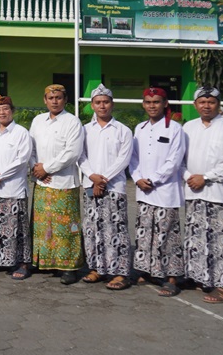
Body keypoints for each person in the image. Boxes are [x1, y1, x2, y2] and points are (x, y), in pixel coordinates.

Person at [182, 86, 223, 304]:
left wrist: (206, 177)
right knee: (196, 239)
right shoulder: (188, 128)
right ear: (195, 105)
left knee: (221, 241)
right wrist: (189, 176)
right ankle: (199, 278)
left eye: (211, 102)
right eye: (202, 102)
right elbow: (178, 158)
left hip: (219, 194)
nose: (206, 106)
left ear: (218, 104)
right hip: (193, 192)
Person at [130, 86, 187, 297]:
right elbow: (133, 157)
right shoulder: (140, 128)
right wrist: (137, 178)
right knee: (145, 234)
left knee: (167, 235)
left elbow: (175, 160)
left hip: (165, 191)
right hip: (144, 190)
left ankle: (172, 277)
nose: (152, 106)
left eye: (156, 102)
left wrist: (153, 179)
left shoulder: (175, 128)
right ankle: (148, 271)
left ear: (165, 104)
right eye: (148, 102)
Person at [29, 83, 85, 285]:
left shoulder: (72, 122)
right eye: (51, 98)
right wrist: (36, 168)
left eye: (59, 98)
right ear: (45, 100)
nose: (55, 101)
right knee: (43, 226)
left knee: (65, 227)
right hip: (42, 182)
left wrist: (47, 168)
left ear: (65, 100)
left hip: (64, 182)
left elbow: (72, 152)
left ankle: (69, 267)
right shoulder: (38, 121)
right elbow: (30, 148)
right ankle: (45, 262)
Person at [79, 84, 133, 290]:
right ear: (92, 105)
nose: (102, 106)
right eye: (98, 102)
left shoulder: (123, 130)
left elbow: (124, 159)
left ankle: (120, 272)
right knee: (93, 229)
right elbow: (80, 156)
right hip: (90, 185)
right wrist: (92, 177)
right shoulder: (85, 130)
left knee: (116, 229)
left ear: (112, 104)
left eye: (106, 102)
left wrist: (103, 180)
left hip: (114, 186)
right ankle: (97, 268)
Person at [0, 95, 34, 280]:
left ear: (12, 111)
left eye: (5, 108)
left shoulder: (21, 133)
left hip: (13, 189)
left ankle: (22, 263)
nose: (2, 112)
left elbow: (22, 160)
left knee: (17, 229)